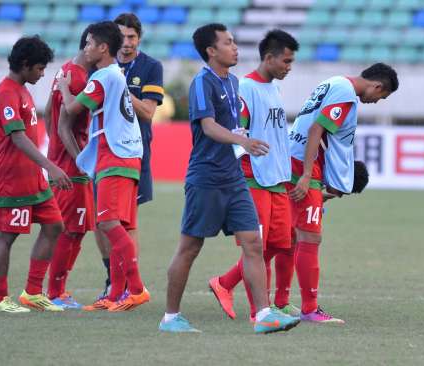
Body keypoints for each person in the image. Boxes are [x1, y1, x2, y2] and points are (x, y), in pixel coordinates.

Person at [159, 23, 300, 334]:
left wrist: (242, 139)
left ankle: (263, 315)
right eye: (228, 42)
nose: (235, 48)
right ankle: (170, 317)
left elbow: (233, 127)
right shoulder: (202, 82)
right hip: (206, 178)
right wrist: (244, 142)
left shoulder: (233, 82)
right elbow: (208, 127)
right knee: (190, 247)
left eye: (234, 42)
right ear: (212, 50)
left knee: (253, 243)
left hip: (234, 178)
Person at [288, 63, 398, 323]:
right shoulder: (347, 95)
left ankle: (268, 297)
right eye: (380, 97)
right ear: (377, 86)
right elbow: (317, 129)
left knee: (288, 236)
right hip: (305, 164)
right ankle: (309, 309)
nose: (375, 102)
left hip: (296, 158)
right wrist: (306, 175)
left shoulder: (335, 81)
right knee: (309, 238)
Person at [57, 21, 149, 312]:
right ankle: (115, 294)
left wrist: (63, 88)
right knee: (120, 225)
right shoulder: (115, 74)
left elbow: (72, 109)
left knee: (107, 223)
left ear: (102, 48)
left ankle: (136, 289)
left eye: (89, 44)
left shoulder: (100, 78)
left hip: (115, 157)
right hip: (130, 155)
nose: (85, 49)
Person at [209, 29, 300, 322]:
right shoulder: (245, 88)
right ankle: (257, 312)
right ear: (269, 57)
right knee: (257, 247)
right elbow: (238, 133)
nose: (289, 67)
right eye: (286, 61)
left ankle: (225, 283)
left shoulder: (272, 87)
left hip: (276, 178)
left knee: (278, 244)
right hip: (253, 177)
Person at [0, 36, 71, 313]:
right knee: (6, 236)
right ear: (25, 65)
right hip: (12, 180)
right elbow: (18, 138)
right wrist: (52, 166)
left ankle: (33, 293)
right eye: (39, 68)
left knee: (54, 225)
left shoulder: (22, 89)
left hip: (33, 179)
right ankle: (0, 299)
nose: (42, 73)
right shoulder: (6, 92)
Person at [92, 13, 165, 298]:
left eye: (132, 37)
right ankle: (113, 279)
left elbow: (148, 113)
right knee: (101, 219)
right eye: (121, 37)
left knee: (126, 220)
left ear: (139, 38)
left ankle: (127, 286)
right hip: (102, 150)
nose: (126, 43)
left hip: (134, 150)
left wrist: (119, 86)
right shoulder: (101, 65)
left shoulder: (150, 67)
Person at [44, 26, 95, 309]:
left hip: (65, 159)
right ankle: (54, 292)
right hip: (72, 165)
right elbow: (64, 125)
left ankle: (58, 290)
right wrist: (78, 159)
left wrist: (55, 147)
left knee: (77, 228)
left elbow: (47, 112)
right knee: (70, 229)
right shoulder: (76, 77)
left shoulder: (65, 71)